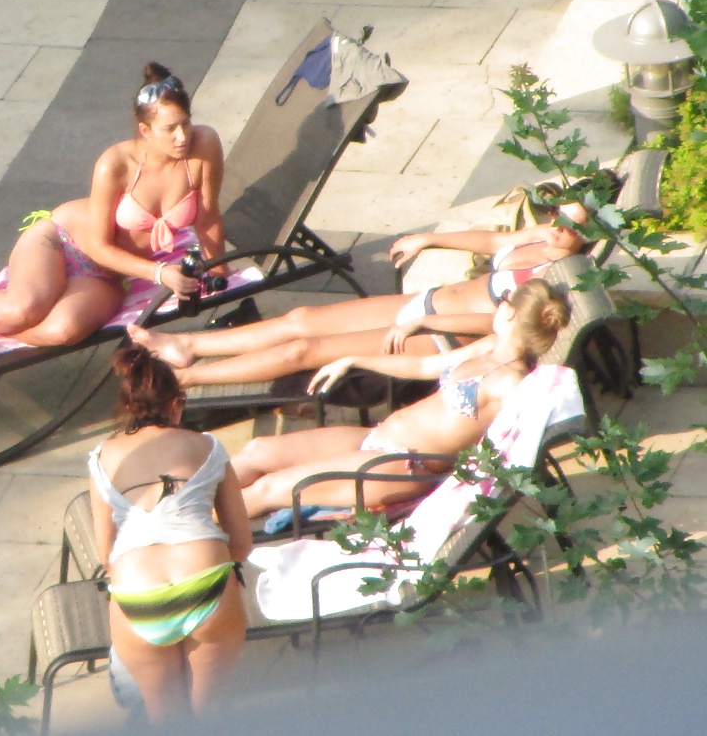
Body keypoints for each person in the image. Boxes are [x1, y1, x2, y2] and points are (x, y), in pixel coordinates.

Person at [0, 62, 227, 346]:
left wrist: (221, 270)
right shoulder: (115, 164)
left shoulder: (204, 145)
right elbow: (100, 244)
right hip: (62, 242)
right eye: (170, 129)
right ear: (145, 130)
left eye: (186, 124)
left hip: (109, 272)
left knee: (60, 331)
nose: (182, 137)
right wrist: (159, 273)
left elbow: (207, 216)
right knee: (22, 309)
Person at [126, 201, 588, 387]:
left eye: (567, 228)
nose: (555, 228)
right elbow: (491, 243)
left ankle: (186, 380)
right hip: (428, 302)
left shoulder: (548, 279)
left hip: (442, 334)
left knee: (304, 349)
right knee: (302, 317)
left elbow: (496, 325)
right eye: (555, 217)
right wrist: (428, 238)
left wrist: (425, 322)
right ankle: (187, 346)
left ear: (582, 240)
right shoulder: (542, 238)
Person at [228, 279, 570, 518]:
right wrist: (354, 360)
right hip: (376, 438)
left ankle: (185, 539)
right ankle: (182, 507)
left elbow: (509, 451)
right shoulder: (491, 348)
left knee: (268, 489)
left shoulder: (511, 384)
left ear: (509, 313)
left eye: (505, 300)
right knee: (259, 451)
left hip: (399, 468)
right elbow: (423, 365)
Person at [89, 345, 252, 724]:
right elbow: (242, 543)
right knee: (210, 715)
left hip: (137, 594)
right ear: (178, 402)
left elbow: (105, 553)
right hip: (205, 579)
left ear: (127, 406)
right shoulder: (209, 446)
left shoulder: (101, 456)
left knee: (165, 721)